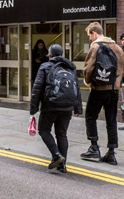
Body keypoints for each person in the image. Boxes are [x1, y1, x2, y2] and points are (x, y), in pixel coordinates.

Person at [30, 44, 82, 173]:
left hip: (50, 105)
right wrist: (78, 108)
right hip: (67, 106)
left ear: (50, 55)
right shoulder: (70, 67)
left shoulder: (45, 66)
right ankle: (62, 165)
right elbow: (77, 88)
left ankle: (56, 155)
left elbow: (37, 89)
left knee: (43, 130)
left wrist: (33, 108)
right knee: (62, 134)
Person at [81, 22, 124, 164]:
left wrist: (89, 82)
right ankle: (111, 153)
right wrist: (118, 82)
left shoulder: (95, 46)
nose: (90, 38)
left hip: (98, 89)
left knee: (90, 116)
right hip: (114, 90)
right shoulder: (117, 47)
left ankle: (94, 148)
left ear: (94, 33)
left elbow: (89, 68)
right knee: (111, 120)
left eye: (89, 35)